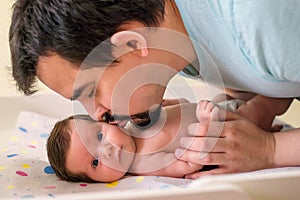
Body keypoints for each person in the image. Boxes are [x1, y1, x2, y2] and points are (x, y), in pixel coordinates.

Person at [9, 0, 300, 179]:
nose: (98, 115)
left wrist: (270, 150)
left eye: (90, 91)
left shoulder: (263, 21)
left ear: (131, 45)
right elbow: (249, 71)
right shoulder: (178, 50)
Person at [48, 97, 280, 183]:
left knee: (247, 94)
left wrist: (173, 104)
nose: (106, 150)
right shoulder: (142, 163)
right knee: (267, 104)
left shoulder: (133, 120)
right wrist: (206, 123)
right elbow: (188, 163)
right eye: (95, 163)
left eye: (99, 136)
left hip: (218, 108)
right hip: (229, 130)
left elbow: (177, 108)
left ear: (106, 122)